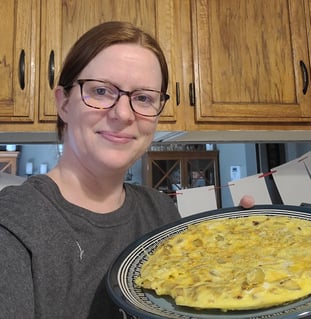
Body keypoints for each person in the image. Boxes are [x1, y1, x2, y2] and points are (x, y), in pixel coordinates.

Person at [0, 21, 253, 319]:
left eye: (143, 97)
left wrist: (235, 269)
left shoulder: (161, 212)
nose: (123, 114)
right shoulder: (13, 225)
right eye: (101, 91)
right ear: (64, 104)